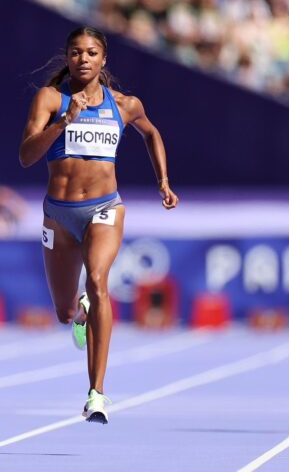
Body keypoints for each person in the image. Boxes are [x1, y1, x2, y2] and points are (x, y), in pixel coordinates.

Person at [19, 26, 179, 424]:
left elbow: (152, 133)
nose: (83, 59)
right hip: (58, 214)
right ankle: (80, 311)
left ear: (103, 59)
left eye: (91, 52)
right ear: (68, 57)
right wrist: (63, 122)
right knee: (63, 310)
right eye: (76, 52)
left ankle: (97, 393)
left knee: (97, 280)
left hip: (104, 208)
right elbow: (26, 156)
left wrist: (163, 180)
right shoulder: (50, 99)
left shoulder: (124, 104)